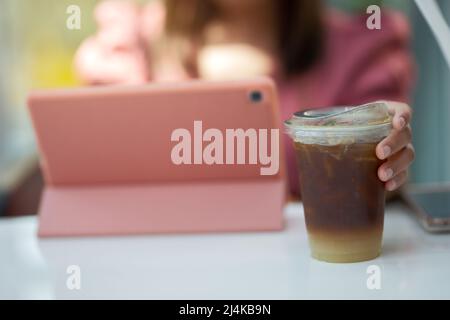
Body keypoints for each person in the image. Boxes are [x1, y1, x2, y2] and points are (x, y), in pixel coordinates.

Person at [75, 0, 415, 196]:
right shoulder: (130, 49)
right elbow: (98, 183)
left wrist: (385, 154)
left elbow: (376, 185)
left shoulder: (359, 50)